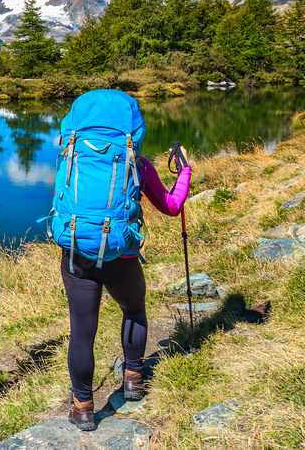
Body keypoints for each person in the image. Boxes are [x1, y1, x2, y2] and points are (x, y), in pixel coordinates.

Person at [65, 147, 191, 431]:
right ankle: (133, 380)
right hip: (121, 255)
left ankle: (83, 408)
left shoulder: (73, 160)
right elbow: (172, 206)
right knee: (133, 309)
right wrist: (184, 170)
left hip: (77, 254)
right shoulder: (139, 165)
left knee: (82, 329)